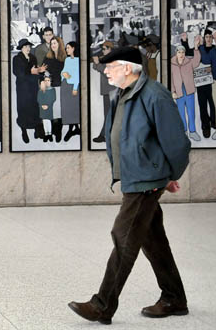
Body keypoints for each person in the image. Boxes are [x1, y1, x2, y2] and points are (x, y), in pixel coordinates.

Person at [68, 47, 191, 325]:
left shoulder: (154, 95)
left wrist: (170, 174)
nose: (106, 71)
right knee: (152, 238)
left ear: (128, 67)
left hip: (146, 181)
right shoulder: (123, 94)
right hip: (137, 177)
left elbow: (177, 144)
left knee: (123, 237)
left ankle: (102, 305)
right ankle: (174, 297)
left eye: (110, 66)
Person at [13, 38, 47, 143]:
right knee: (23, 108)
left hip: (32, 87)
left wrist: (41, 75)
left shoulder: (33, 57)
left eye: (29, 46)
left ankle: (36, 127)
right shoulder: (17, 58)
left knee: (34, 107)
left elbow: (37, 70)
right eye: (26, 47)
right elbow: (19, 73)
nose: (28, 48)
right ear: (21, 48)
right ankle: (24, 130)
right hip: (23, 88)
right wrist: (31, 71)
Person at [171, 36, 203, 142]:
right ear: (176, 53)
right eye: (179, 52)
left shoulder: (189, 62)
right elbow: (171, 79)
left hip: (189, 90)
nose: (181, 54)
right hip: (178, 91)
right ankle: (184, 131)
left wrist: (196, 48)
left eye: (183, 52)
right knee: (180, 112)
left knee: (191, 111)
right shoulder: (171, 63)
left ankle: (192, 132)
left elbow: (197, 61)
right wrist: (173, 91)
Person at [92, 41, 116, 143]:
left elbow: (108, 73)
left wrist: (98, 63)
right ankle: (106, 135)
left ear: (110, 49)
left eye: (105, 49)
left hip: (112, 90)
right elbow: (95, 67)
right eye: (103, 49)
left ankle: (104, 135)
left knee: (109, 113)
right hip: (107, 90)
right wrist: (97, 63)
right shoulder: (107, 59)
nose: (103, 51)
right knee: (108, 113)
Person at [197, 29, 216, 139]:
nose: (208, 39)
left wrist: (212, 69)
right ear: (204, 39)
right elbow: (195, 62)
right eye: (206, 37)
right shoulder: (200, 49)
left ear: (212, 39)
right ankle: (205, 125)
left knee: (213, 102)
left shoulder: (215, 49)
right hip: (202, 81)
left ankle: (214, 121)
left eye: (210, 37)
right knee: (202, 104)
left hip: (214, 81)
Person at [61, 41, 81, 142]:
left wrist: (75, 88)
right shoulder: (67, 59)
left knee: (73, 108)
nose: (66, 49)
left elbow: (78, 76)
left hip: (73, 87)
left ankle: (71, 129)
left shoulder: (78, 60)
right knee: (67, 108)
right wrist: (63, 74)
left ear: (73, 48)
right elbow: (63, 71)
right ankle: (75, 128)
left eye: (68, 47)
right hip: (65, 85)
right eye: (66, 48)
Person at [37, 75, 56, 142]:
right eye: (45, 80)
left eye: (48, 80)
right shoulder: (41, 90)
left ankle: (49, 134)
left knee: (48, 121)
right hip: (42, 108)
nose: (47, 82)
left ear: (50, 82)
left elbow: (53, 98)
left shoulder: (52, 89)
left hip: (49, 107)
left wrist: (48, 105)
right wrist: (42, 105)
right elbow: (39, 98)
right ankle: (46, 134)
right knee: (44, 121)